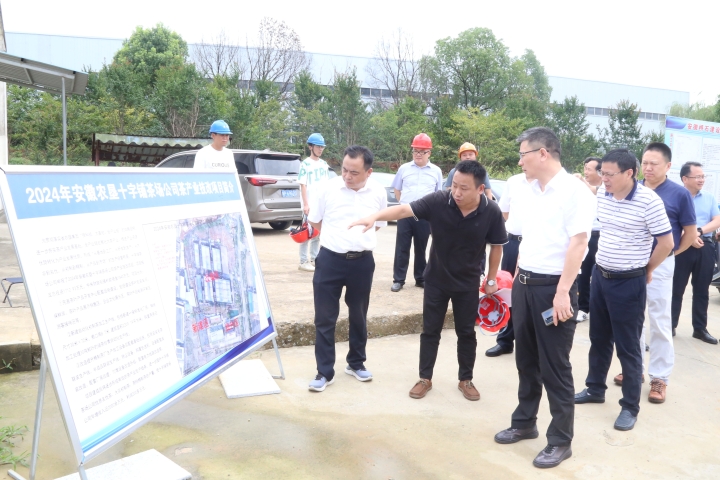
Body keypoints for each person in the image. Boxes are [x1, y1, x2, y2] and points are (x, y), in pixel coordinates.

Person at [350, 160, 506, 402]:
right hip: (436, 280)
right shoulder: (438, 201)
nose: (456, 192)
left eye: (464, 188)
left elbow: (496, 246)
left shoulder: (491, 211)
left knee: (466, 333)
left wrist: (492, 279)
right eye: (454, 185)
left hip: (468, 283)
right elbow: (403, 210)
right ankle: (425, 378)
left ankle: (465, 379)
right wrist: (374, 217)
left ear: (479, 189)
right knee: (430, 331)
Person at [493, 127, 595, 469]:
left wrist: (563, 292)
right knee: (526, 359)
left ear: (542, 153)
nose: (519, 161)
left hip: (554, 288)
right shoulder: (529, 190)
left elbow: (579, 243)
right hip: (525, 284)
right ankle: (525, 422)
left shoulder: (575, 192)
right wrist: (515, 277)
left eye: (523, 154)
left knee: (554, 366)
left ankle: (561, 440)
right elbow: (525, 236)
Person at [574, 149, 673, 432]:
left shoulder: (649, 201)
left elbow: (666, 243)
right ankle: (595, 388)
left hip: (629, 282)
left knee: (628, 346)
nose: (603, 178)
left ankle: (630, 406)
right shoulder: (604, 195)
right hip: (600, 276)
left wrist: (647, 269)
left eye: (609, 174)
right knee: (598, 337)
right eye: (601, 173)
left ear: (630, 173)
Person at [613, 143, 696, 404]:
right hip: (630, 264)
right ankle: (633, 369)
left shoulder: (679, 194)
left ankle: (659, 377)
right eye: (645, 162)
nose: (647, 168)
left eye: (654, 164)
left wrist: (669, 255)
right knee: (632, 318)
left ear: (668, 166)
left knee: (659, 320)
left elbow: (689, 233)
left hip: (660, 264)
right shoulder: (632, 188)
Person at [306, 146, 387, 392]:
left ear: (368, 172)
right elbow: (315, 220)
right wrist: (337, 238)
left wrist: (357, 241)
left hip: (362, 262)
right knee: (325, 317)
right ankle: (324, 371)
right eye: (344, 170)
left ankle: (356, 363)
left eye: (354, 172)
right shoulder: (327, 188)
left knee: (359, 314)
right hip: (330, 260)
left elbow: (379, 224)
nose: (347, 176)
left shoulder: (378, 191)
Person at [485, 171, 534, 357]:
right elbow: (504, 212)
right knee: (508, 291)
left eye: (525, 157)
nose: (521, 162)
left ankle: (531, 343)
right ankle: (505, 340)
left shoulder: (551, 182)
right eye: (521, 157)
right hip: (513, 242)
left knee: (533, 294)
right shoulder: (514, 181)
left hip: (537, 245)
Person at [672, 161, 720, 344]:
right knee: (676, 288)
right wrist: (689, 237)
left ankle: (700, 329)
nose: (702, 179)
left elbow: (717, 220)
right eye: (697, 176)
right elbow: (672, 222)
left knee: (702, 289)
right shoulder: (676, 196)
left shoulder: (708, 197)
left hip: (705, 246)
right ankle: (670, 326)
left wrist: (698, 232)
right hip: (681, 246)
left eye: (703, 176)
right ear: (685, 178)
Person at [389, 133, 443, 292]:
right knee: (402, 248)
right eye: (415, 151)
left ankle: (420, 278)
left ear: (429, 153)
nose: (418, 154)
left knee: (421, 248)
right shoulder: (404, 168)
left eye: (422, 151)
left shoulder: (436, 171)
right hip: (405, 214)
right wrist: (403, 205)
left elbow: (438, 194)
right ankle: (398, 280)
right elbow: (397, 189)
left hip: (424, 216)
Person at [574, 157, 603, 322]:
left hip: (602, 236)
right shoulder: (581, 189)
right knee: (584, 273)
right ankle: (583, 308)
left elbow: (596, 190)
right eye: (584, 168)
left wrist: (582, 182)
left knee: (600, 274)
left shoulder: (607, 188)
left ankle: (600, 308)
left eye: (589, 169)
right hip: (587, 235)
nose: (585, 172)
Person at [297, 133, 331, 272]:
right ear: (310, 147)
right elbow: (303, 184)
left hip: (321, 204)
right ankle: (303, 261)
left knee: (317, 233)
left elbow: (327, 185)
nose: (320, 149)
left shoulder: (324, 164)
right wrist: (306, 204)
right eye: (318, 146)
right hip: (309, 204)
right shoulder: (305, 164)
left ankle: (315, 259)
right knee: (306, 232)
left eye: (322, 147)